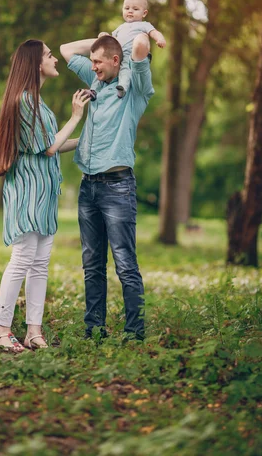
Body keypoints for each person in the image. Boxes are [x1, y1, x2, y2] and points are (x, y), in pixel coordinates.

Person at [0, 39, 90, 353]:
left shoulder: (37, 103)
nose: (55, 60)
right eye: (50, 55)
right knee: (21, 260)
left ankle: (34, 331)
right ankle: (2, 331)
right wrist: (76, 117)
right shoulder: (24, 102)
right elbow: (48, 147)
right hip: (27, 193)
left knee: (40, 264)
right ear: (36, 63)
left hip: (44, 195)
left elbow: (54, 145)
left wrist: (88, 136)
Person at [60, 33, 154, 340]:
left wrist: (127, 39)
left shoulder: (133, 90)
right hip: (88, 188)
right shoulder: (96, 79)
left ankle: (134, 333)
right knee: (92, 265)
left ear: (115, 61)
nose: (93, 67)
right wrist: (101, 38)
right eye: (92, 62)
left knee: (125, 264)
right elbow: (65, 49)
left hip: (117, 187)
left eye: (98, 62)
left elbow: (140, 46)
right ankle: (94, 330)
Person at [92, 0, 166, 98]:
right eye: (127, 8)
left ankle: (122, 87)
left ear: (144, 13)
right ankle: (93, 90)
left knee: (125, 69)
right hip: (116, 54)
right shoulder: (121, 27)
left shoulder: (144, 25)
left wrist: (160, 39)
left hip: (129, 54)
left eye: (135, 9)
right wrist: (105, 36)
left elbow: (154, 32)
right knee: (101, 66)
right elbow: (112, 40)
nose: (130, 11)